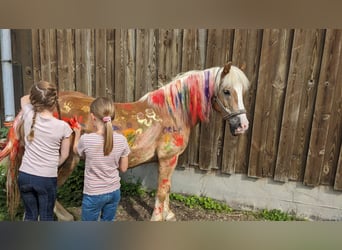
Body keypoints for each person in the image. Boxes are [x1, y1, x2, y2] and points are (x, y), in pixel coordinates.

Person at [18, 81, 72, 221]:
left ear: (35, 100)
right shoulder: (63, 127)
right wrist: (54, 165)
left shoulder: (29, 114)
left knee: (30, 215)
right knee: (46, 217)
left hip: (24, 175)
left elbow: (23, 99)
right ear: (54, 102)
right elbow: (65, 155)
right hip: (46, 178)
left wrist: (37, 96)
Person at [73, 97, 130, 221]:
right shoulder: (122, 140)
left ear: (93, 117)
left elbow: (76, 151)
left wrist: (77, 135)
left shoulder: (86, 139)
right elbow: (124, 168)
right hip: (114, 191)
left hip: (93, 193)